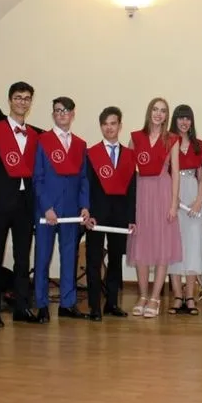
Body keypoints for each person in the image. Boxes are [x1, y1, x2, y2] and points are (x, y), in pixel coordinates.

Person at [0, 82, 41, 327]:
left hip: (25, 204)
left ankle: (21, 307)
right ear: (9, 100)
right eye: (18, 98)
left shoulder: (37, 135)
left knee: (22, 258)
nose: (22, 102)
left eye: (27, 98)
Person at [33, 97, 90, 322]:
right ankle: (42, 305)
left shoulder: (80, 144)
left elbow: (83, 179)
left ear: (73, 113)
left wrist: (85, 206)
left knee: (69, 257)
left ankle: (68, 303)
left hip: (71, 210)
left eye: (66, 110)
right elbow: (38, 178)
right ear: (53, 114)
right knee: (42, 258)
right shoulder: (43, 140)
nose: (62, 114)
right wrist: (46, 207)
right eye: (57, 110)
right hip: (47, 211)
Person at [126, 97, 182, 318]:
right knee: (141, 244)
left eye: (163, 111)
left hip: (163, 191)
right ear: (149, 112)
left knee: (161, 245)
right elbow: (129, 172)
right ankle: (142, 295)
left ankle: (155, 297)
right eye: (155, 109)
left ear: (167, 116)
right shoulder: (135, 138)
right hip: (141, 192)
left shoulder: (172, 139)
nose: (159, 114)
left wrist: (174, 203)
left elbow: (175, 172)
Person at [84, 106, 135, 321]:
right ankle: (95, 306)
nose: (109, 128)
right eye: (105, 124)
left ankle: (112, 303)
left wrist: (132, 219)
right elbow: (85, 185)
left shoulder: (130, 155)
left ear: (120, 126)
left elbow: (133, 188)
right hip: (96, 215)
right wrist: (86, 213)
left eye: (113, 123)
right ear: (101, 127)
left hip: (120, 216)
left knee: (115, 260)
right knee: (94, 261)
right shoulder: (91, 154)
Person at [167, 105, 202, 315]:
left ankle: (190, 296)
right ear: (175, 120)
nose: (184, 122)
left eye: (187, 118)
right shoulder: (169, 142)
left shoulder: (199, 145)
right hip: (173, 197)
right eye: (180, 118)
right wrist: (172, 198)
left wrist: (199, 199)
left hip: (193, 200)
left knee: (192, 246)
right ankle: (177, 296)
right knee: (175, 247)